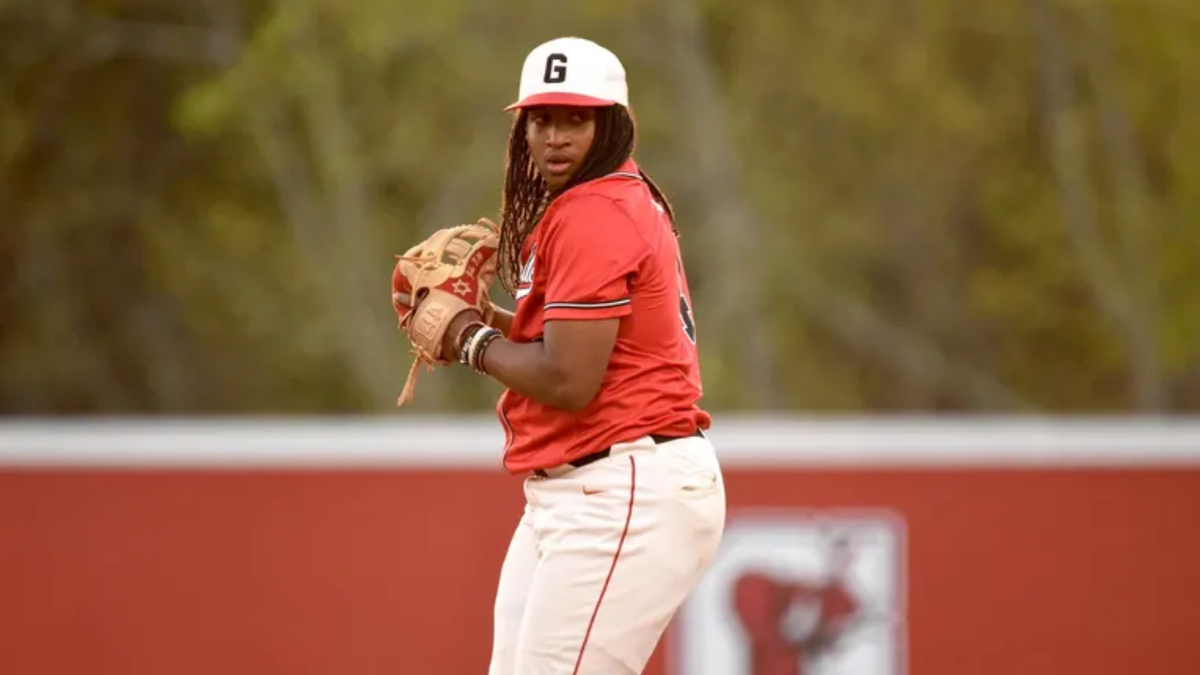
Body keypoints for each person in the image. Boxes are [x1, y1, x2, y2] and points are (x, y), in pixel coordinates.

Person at [396, 36, 726, 674]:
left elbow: (571, 380)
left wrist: (467, 336)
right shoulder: (598, 203)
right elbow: (563, 349)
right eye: (541, 118)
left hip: (625, 484)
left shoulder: (595, 213)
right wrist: (483, 320)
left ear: (612, 124)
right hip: (588, 486)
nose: (554, 135)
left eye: (576, 117)